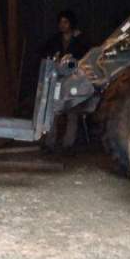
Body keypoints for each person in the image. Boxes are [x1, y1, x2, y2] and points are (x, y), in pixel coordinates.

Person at [40, 10, 89, 153]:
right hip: (57, 80)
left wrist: (70, 63)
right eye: (60, 22)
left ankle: (68, 144)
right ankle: (50, 143)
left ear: (71, 23)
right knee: (53, 110)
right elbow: (45, 55)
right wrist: (55, 59)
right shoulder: (55, 40)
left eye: (65, 22)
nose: (62, 25)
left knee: (72, 111)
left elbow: (84, 61)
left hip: (73, 81)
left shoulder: (80, 41)